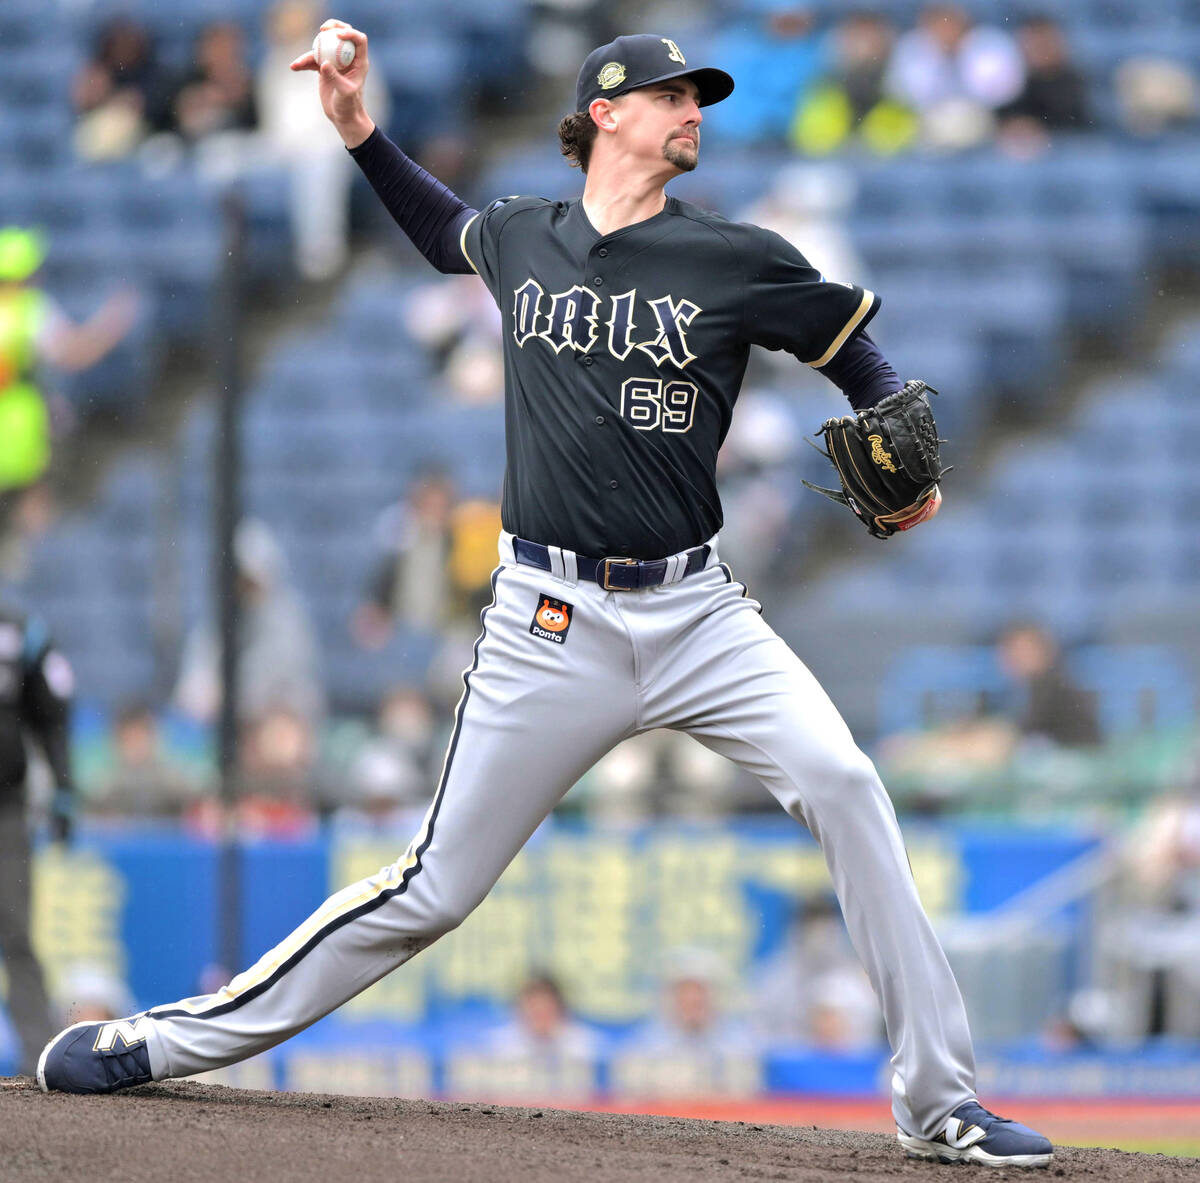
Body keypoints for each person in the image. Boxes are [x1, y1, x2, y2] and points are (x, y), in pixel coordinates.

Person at [37, 25, 1053, 1168]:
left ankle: (939, 1098)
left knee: (848, 784)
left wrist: (896, 447)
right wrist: (358, 130)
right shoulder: (523, 237)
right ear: (606, 112)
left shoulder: (736, 259)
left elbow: (854, 355)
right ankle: (162, 1042)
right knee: (432, 889)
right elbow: (438, 232)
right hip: (551, 621)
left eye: (698, 97)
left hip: (698, 613)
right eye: (673, 94)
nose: (694, 112)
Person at [0, 604, 75, 1075]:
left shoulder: (19, 632)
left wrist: (65, 792)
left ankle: (38, 1064)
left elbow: (52, 718)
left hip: (7, 811)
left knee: (18, 935)